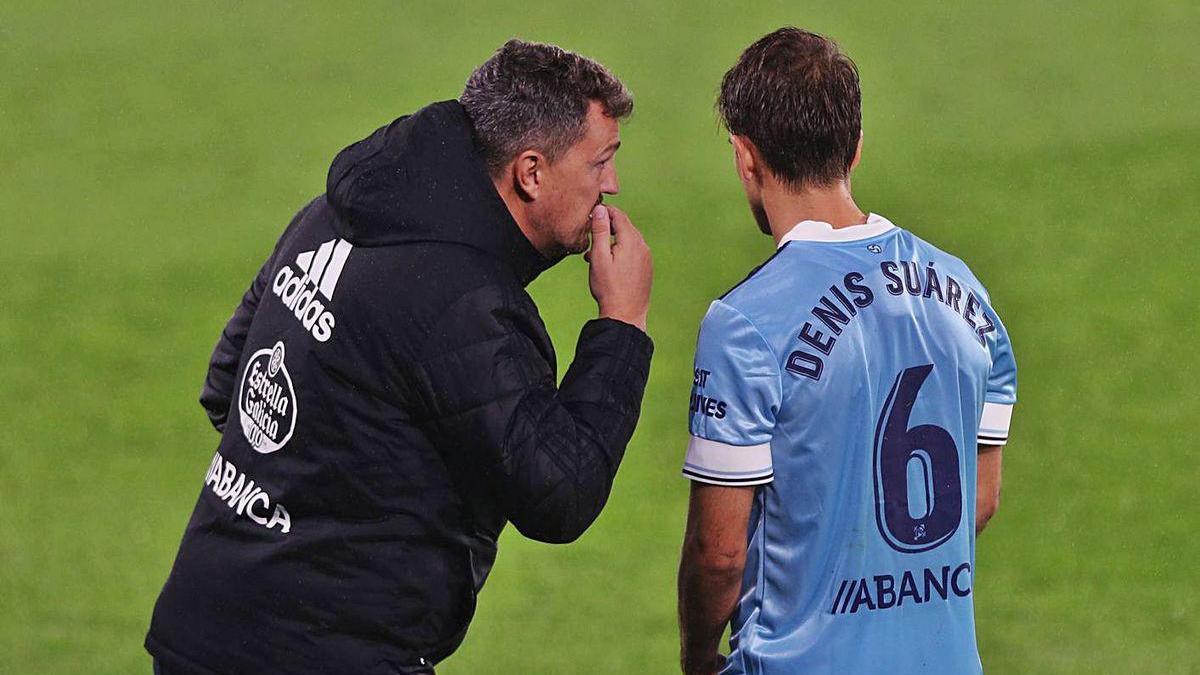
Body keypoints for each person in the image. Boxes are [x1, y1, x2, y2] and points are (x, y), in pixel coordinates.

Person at [146, 39, 653, 674]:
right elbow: (559, 493)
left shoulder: (333, 214)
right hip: (328, 653)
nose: (612, 185)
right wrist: (622, 323)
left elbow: (230, 385)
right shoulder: (462, 303)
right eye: (600, 162)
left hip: (201, 625)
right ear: (531, 172)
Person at [676, 28, 1016, 674]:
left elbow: (718, 553)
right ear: (855, 148)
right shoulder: (967, 296)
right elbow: (982, 496)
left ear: (745, 158)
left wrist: (697, 653)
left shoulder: (744, 323)